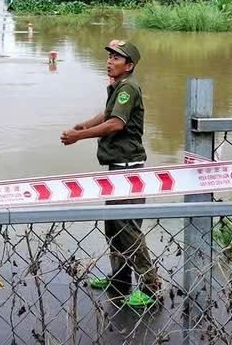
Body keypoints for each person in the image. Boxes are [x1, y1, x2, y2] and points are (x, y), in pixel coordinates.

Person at [61, 38, 161, 310]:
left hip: (127, 169)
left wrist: (79, 136)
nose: (110, 62)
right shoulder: (118, 87)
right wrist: (84, 125)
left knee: (128, 230)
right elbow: (107, 114)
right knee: (114, 228)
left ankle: (151, 288)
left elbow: (116, 123)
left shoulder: (128, 87)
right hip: (116, 168)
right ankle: (120, 280)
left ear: (129, 65)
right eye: (109, 57)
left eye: (117, 58)